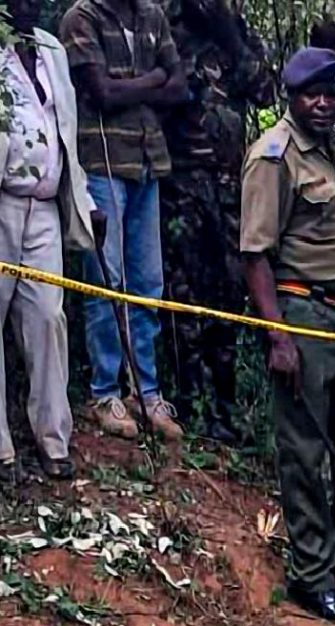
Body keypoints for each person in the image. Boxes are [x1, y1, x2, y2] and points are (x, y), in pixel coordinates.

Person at [239, 47, 335, 625]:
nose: (323, 103)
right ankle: (311, 574)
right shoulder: (273, 157)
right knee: (304, 451)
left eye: (331, 93)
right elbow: (255, 255)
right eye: (311, 94)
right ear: (291, 97)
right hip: (302, 315)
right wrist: (278, 337)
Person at [61, 0, 188, 440]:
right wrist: (154, 79)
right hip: (102, 163)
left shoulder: (152, 15)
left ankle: (146, 392)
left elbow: (180, 88)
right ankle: (105, 392)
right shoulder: (82, 18)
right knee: (104, 281)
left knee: (147, 284)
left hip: (149, 160)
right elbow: (101, 94)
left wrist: (139, 85)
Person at [160, 0, 275, 444]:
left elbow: (265, 91)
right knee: (182, 293)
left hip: (232, 191)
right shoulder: (166, 28)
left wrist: (229, 33)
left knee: (228, 293)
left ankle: (224, 411)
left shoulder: (237, 33)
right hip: (180, 184)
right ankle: (186, 401)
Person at [0, 0, 98, 482]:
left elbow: (67, 131)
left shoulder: (51, 48)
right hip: (2, 200)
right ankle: (2, 451)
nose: (26, 4)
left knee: (47, 317)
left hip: (43, 207)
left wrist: (80, 198)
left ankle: (53, 440)